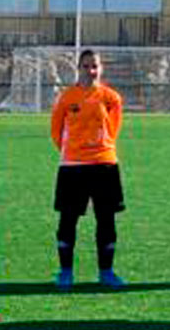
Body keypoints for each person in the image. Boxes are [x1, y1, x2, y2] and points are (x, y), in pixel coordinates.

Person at [49, 48, 127, 289]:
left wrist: (100, 149)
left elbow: (113, 128)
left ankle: (106, 272)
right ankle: (65, 272)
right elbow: (55, 130)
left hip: (104, 164)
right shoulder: (67, 97)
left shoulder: (111, 97)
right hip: (73, 166)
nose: (91, 71)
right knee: (68, 220)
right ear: (78, 68)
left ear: (101, 68)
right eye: (86, 66)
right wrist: (74, 151)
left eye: (95, 66)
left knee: (106, 220)